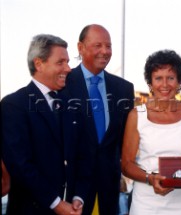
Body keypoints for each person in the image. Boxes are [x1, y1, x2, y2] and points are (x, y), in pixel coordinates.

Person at [1, 34, 91, 215]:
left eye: (67, 61)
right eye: (60, 62)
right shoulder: (13, 105)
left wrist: (78, 197)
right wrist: (56, 204)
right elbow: (20, 165)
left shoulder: (72, 105)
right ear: (39, 64)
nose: (68, 68)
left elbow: (84, 155)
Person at [121, 49, 181, 214]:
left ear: (179, 82)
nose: (165, 85)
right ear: (150, 83)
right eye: (158, 78)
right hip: (146, 203)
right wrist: (150, 179)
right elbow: (126, 164)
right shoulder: (137, 115)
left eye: (171, 78)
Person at [64, 24, 135, 215]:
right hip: (70, 189)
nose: (105, 51)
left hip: (109, 188)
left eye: (109, 46)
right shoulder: (62, 83)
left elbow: (126, 141)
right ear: (80, 47)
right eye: (98, 45)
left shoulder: (124, 89)